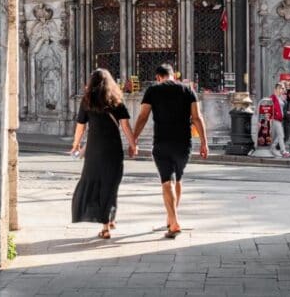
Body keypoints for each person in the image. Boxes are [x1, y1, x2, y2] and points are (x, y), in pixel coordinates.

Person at [131, 63, 208, 239]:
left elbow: (143, 116)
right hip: (183, 143)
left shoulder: (153, 90)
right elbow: (197, 117)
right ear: (174, 75)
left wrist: (133, 138)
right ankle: (171, 216)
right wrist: (204, 142)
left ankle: (173, 222)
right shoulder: (187, 90)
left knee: (167, 181)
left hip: (162, 142)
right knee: (178, 178)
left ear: (158, 77)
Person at [70, 68, 138, 239]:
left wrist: (75, 145)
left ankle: (107, 224)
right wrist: (133, 144)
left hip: (94, 150)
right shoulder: (117, 101)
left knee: (94, 183)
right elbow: (125, 126)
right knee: (111, 183)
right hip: (113, 149)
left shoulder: (87, 101)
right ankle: (107, 222)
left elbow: (80, 126)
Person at [268, 83, 289, 157]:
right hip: (275, 119)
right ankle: (282, 151)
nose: (282, 90)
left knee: (276, 136)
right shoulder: (273, 97)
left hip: (279, 119)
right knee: (279, 135)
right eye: (281, 88)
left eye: (282, 89)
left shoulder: (280, 97)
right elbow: (269, 107)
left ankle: (273, 149)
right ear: (276, 89)